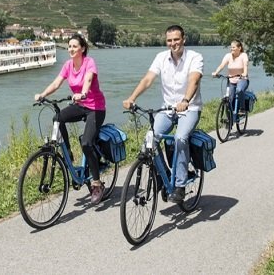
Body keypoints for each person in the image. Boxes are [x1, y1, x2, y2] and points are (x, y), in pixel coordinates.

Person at [122, 25, 203, 203]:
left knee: (180, 138)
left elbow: (194, 80)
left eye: (176, 39)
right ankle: (164, 174)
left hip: (189, 108)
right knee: (149, 140)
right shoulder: (161, 57)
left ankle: (180, 185)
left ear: (183, 39)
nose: (173, 43)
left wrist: (185, 100)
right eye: (169, 40)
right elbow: (148, 79)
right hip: (167, 109)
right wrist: (132, 98)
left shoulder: (194, 57)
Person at [35, 34, 107, 205]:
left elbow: (88, 79)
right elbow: (56, 83)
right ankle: (68, 152)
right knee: (57, 118)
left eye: (75, 46)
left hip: (95, 108)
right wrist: (43, 94)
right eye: (69, 46)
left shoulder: (89, 62)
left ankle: (97, 184)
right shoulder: (68, 65)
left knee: (86, 143)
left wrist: (83, 93)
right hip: (79, 105)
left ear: (82, 48)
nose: (71, 49)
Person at [211, 40, 249, 121]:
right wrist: (216, 72)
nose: (231, 48)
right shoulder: (228, 56)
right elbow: (222, 65)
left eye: (233, 47)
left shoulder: (243, 55)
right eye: (231, 47)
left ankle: (242, 108)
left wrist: (244, 73)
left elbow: (245, 65)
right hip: (231, 80)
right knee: (229, 99)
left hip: (242, 79)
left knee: (239, 90)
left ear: (239, 48)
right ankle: (230, 120)